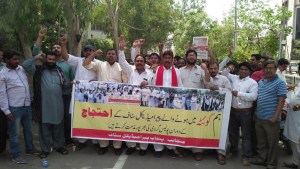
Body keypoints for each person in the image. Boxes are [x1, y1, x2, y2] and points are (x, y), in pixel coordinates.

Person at [82, 41, 127, 156]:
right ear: (105, 56)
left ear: (116, 56)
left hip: (117, 101)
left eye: (113, 54)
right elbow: (85, 64)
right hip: (102, 101)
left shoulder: (121, 67)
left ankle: (117, 146)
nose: (111, 55)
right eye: (109, 54)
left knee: (117, 123)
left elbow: (126, 82)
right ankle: (104, 145)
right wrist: (93, 55)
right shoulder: (99, 65)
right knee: (102, 123)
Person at [32, 27, 75, 146]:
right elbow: (36, 52)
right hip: (48, 98)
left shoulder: (68, 64)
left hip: (65, 96)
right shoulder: (46, 63)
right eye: (54, 47)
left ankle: (65, 141)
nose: (56, 49)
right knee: (47, 120)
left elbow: (72, 79)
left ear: (61, 50)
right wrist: (40, 37)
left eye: (58, 47)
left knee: (63, 119)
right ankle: (47, 144)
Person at [22, 52, 68, 159]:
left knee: (58, 127)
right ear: (46, 60)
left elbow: (64, 83)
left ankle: (59, 146)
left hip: (58, 104)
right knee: (44, 128)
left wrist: (73, 83)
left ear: (55, 60)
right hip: (43, 105)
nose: (51, 61)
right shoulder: (38, 70)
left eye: (53, 59)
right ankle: (45, 149)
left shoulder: (59, 71)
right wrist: (36, 57)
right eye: (49, 59)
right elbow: (25, 65)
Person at [60, 36, 98, 150]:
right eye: (87, 51)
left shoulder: (99, 63)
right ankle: (82, 141)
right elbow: (65, 56)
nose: (89, 52)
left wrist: (97, 81)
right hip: (79, 95)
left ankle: (96, 140)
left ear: (93, 52)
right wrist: (63, 45)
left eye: (91, 51)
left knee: (95, 116)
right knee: (80, 117)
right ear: (84, 52)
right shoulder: (78, 61)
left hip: (94, 95)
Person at [0, 50, 37, 164]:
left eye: (18, 59)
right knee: (14, 133)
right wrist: (6, 111)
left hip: (26, 105)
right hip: (14, 108)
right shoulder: (2, 74)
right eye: (14, 59)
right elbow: (1, 94)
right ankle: (16, 154)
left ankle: (30, 150)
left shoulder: (21, 69)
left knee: (28, 130)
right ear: (6, 60)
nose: (17, 61)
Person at [144, 50, 183, 158]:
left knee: (171, 125)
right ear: (163, 59)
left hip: (172, 102)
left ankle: (170, 148)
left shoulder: (177, 71)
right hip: (158, 101)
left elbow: (180, 86)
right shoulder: (156, 70)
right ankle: (158, 148)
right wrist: (151, 73)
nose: (167, 60)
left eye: (169, 58)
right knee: (158, 124)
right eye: (165, 58)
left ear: (172, 59)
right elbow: (150, 83)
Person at [118, 37, 152, 156]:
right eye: (137, 61)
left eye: (141, 61)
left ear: (144, 63)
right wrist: (121, 49)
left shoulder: (150, 73)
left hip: (145, 104)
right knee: (130, 125)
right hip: (131, 103)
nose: (139, 62)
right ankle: (131, 145)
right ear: (135, 62)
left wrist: (147, 85)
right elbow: (122, 62)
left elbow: (154, 87)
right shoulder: (130, 70)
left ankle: (143, 147)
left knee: (144, 125)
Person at [251, 61, 287, 169]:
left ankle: (271, 163)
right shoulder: (261, 82)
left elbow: (281, 101)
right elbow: (259, 99)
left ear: (276, 69)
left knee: (272, 144)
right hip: (259, 117)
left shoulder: (280, 83)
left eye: (271, 68)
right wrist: (255, 114)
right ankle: (262, 159)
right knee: (261, 142)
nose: (268, 70)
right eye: (266, 68)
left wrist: (275, 117)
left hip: (271, 119)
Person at [222, 62, 258, 166]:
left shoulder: (253, 83)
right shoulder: (234, 78)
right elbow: (224, 73)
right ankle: (234, 152)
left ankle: (246, 156)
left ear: (249, 71)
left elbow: (253, 97)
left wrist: (239, 94)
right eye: (241, 69)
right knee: (233, 133)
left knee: (246, 135)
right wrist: (229, 67)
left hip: (246, 112)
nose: (242, 71)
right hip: (233, 111)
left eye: (245, 69)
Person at [179, 49, 211, 161]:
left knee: (197, 127)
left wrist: (206, 69)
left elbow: (207, 83)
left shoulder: (201, 70)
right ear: (186, 57)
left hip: (197, 104)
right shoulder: (180, 70)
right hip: (183, 103)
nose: (191, 57)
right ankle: (185, 148)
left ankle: (197, 150)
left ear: (196, 57)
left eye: (193, 55)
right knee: (184, 126)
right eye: (189, 55)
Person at [205, 61, 231, 165]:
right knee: (207, 129)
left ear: (218, 69)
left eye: (215, 68)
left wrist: (219, 89)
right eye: (211, 69)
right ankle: (208, 149)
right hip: (207, 109)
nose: (213, 70)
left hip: (221, 110)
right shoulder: (205, 78)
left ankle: (221, 153)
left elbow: (230, 91)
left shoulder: (224, 79)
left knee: (222, 131)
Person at [283, 84, 300, 169]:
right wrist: (291, 90)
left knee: (298, 141)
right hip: (293, 116)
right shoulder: (298, 84)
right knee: (294, 141)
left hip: (298, 116)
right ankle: (295, 163)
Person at [0, 49, 7, 154]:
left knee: (2, 127)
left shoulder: (5, 66)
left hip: (3, 100)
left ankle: (1, 149)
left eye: (2, 55)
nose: (1, 57)